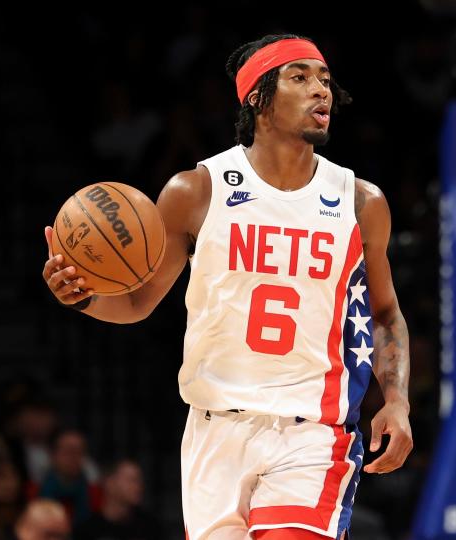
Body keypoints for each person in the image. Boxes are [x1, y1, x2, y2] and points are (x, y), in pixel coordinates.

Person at [42, 33, 413, 539]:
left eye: (325, 80)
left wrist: (396, 400)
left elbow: (386, 313)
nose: (321, 91)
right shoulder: (197, 191)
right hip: (214, 429)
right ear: (258, 97)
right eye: (300, 78)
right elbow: (135, 302)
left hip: (313, 435)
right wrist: (82, 295)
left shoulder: (359, 202)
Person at [74, 458, 159, 540]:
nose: (138, 486)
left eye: (139, 480)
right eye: (131, 480)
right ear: (110, 483)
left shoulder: (149, 527)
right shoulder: (88, 529)